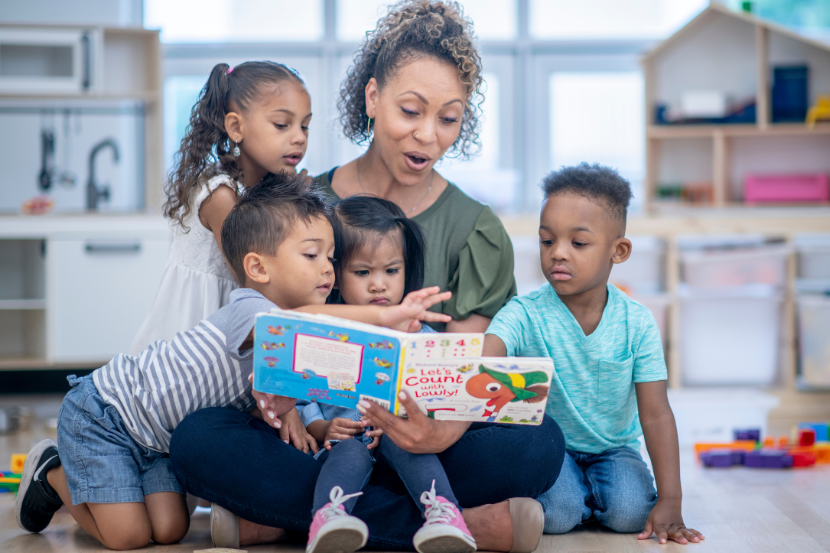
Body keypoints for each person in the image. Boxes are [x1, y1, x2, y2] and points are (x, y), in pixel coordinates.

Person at [15, 173, 450, 551]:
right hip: (107, 414)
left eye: (332, 258)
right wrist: (385, 315)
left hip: (158, 442)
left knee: (168, 531)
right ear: (258, 268)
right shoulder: (247, 308)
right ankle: (51, 473)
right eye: (312, 255)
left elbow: (284, 394)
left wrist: (293, 412)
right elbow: (297, 324)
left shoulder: (288, 343)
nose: (327, 270)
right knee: (127, 536)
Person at [482, 163, 705, 545]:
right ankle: (577, 498)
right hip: (551, 449)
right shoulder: (523, 312)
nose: (558, 254)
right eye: (547, 241)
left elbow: (655, 414)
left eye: (578, 243)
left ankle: (590, 497)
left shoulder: (637, 322)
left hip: (613, 449)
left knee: (631, 514)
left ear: (618, 251)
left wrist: (671, 499)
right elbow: (486, 357)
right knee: (559, 515)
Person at [313, 0, 516, 332]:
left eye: (449, 118)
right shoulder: (302, 207)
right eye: (410, 110)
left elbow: (463, 369)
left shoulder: (478, 235)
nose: (427, 135)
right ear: (373, 98)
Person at [299, 195, 474, 553]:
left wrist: (415, 420)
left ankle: (445, 517)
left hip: (402, 444)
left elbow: (439, 399)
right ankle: (328, 519)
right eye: (363, 273)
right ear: (334, 275)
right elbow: (302, 395)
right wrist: (321, 428)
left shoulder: (420, 336)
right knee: (347, 453)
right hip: (347, 443)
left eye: (391, 271)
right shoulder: (324, 334)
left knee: (409, 446)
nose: (379, 285)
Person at [130, 60, 312, 353]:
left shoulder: (262, 188)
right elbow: (258, 281)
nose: (299, 137)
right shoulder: (221, 196)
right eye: (282, 124)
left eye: (305, 125)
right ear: (236, 127)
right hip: (189, 349)